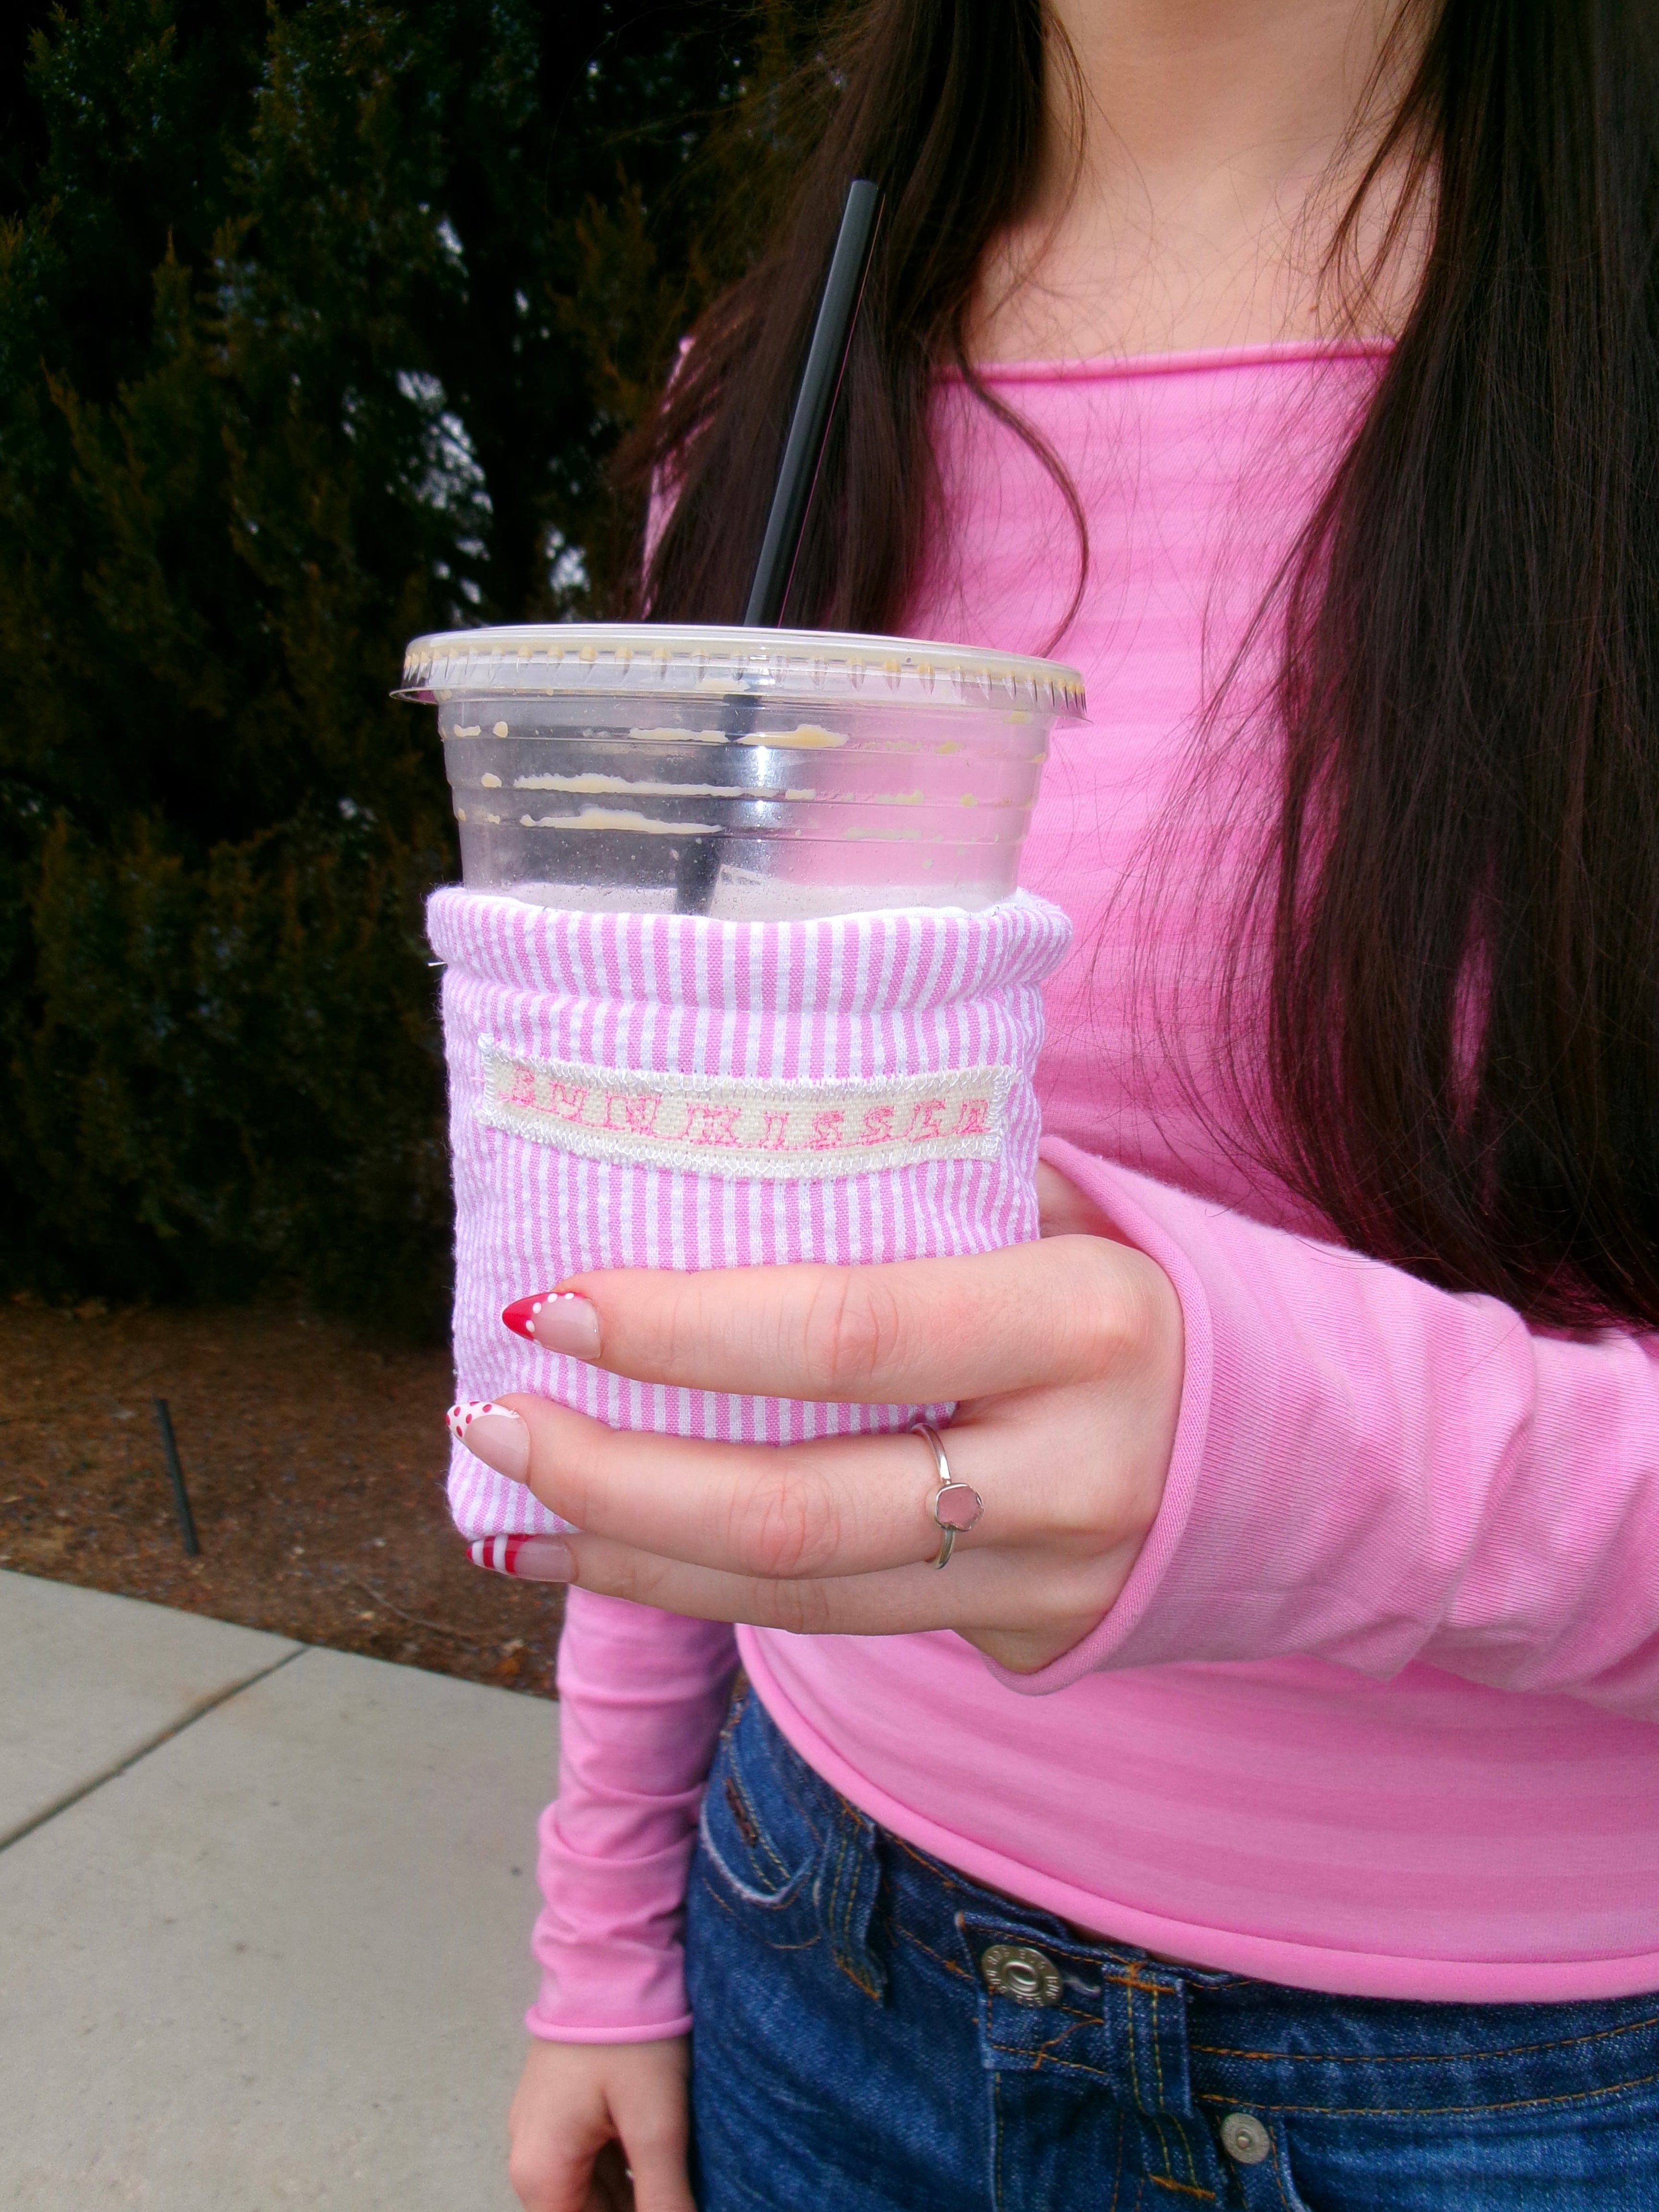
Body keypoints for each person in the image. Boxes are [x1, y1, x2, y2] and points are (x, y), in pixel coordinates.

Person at [461, 2, 1659, 2204]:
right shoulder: (776, 398)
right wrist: (605, 1931)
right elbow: (690, 1306)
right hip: (823, 1963)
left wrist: (1295, 1456)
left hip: (1551, 2095)